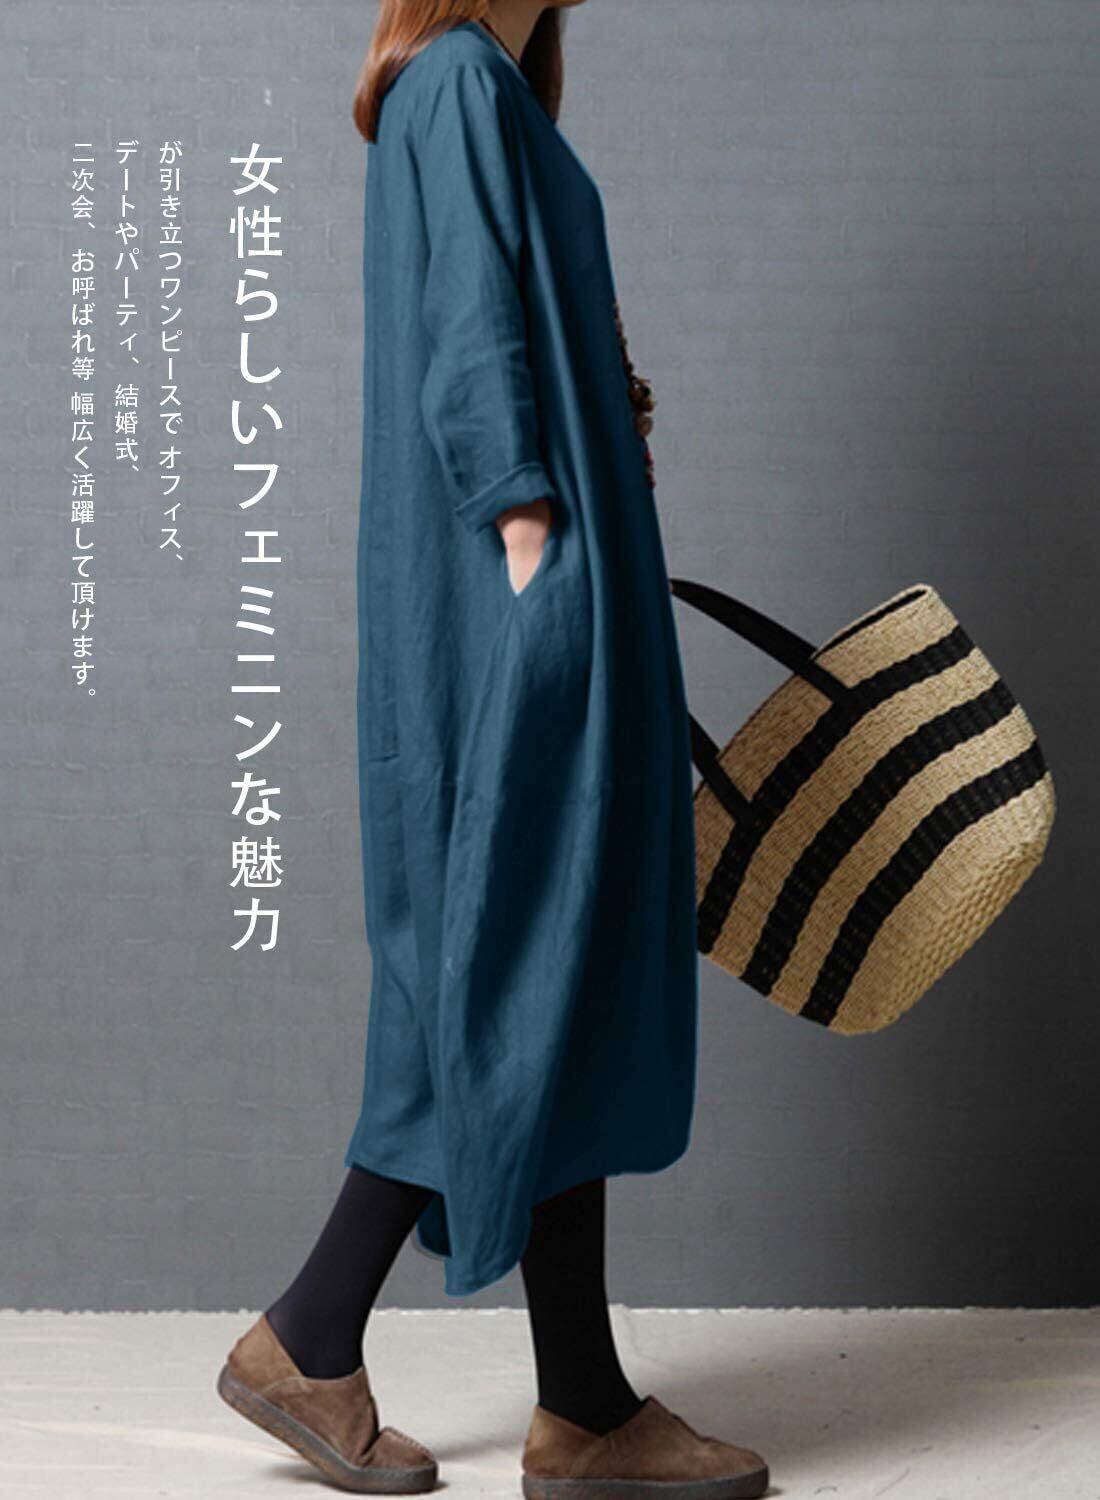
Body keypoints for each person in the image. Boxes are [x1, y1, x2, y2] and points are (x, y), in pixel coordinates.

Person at [216, 4, 769, 1496]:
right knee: (529, 953)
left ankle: (499, 1384)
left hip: (512, 585)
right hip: (518, 590)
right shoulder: (461, 79)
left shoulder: (470, 86)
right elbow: (469, 323)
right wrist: (534, 543)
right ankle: (409, 1360)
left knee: (532, 959)